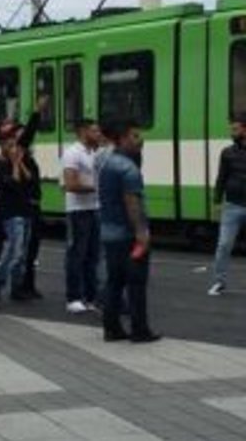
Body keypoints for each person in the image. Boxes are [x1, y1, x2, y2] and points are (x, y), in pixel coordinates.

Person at [97, 121, 160, 344]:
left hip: (109, 232)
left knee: (114, 282)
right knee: (136, 284)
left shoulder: (106, 163)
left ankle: (111, 329)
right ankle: (139, 330)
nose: (140, 140)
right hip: (128, 235)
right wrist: (142, 233)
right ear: (122, 139)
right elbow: (132, 203)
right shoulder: (128, 169)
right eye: (135, 136)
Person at [0, 114, 40, 306]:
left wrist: (20, 162)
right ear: (1, 146)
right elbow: (14, 183)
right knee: (14, 253)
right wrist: (16, 163)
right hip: (10, 213)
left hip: (26, 211)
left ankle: (16, 289)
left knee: (23, 255)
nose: (13, 148)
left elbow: (30, 180)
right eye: (9, 145)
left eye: (14, 145)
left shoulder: (18, 161)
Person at [62, 119, 103, 314]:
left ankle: (91, 297)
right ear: (83, 132)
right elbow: (70, 184)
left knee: (93, 256)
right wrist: (98, 187)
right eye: (94, 131)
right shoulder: (72, 153)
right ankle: (73, 297)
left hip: (94, 208)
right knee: (76, 255)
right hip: (78, 211)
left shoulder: (93, 153)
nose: (98, 134)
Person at [208, 117, 246, 297]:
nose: (232, 133)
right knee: (224, 244)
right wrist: (216, 202)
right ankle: (219, 282)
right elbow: (221, 177)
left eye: (235, 129)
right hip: (232, 205)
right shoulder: (227, 153)